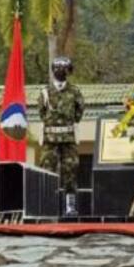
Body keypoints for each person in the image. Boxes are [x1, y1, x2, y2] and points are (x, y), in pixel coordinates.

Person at [38, 56, 86, 217]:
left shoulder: (75, 91)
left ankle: (70, 206)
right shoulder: (45, 92)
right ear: (53, 71)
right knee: (47, 171)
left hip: (68, 139)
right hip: (50, 140)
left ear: (68, 71)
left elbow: (79, 112)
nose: (60, 72)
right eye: (58, 69)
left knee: (70, 171)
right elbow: (41, 113)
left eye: (64, 69)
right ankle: (47, 204)